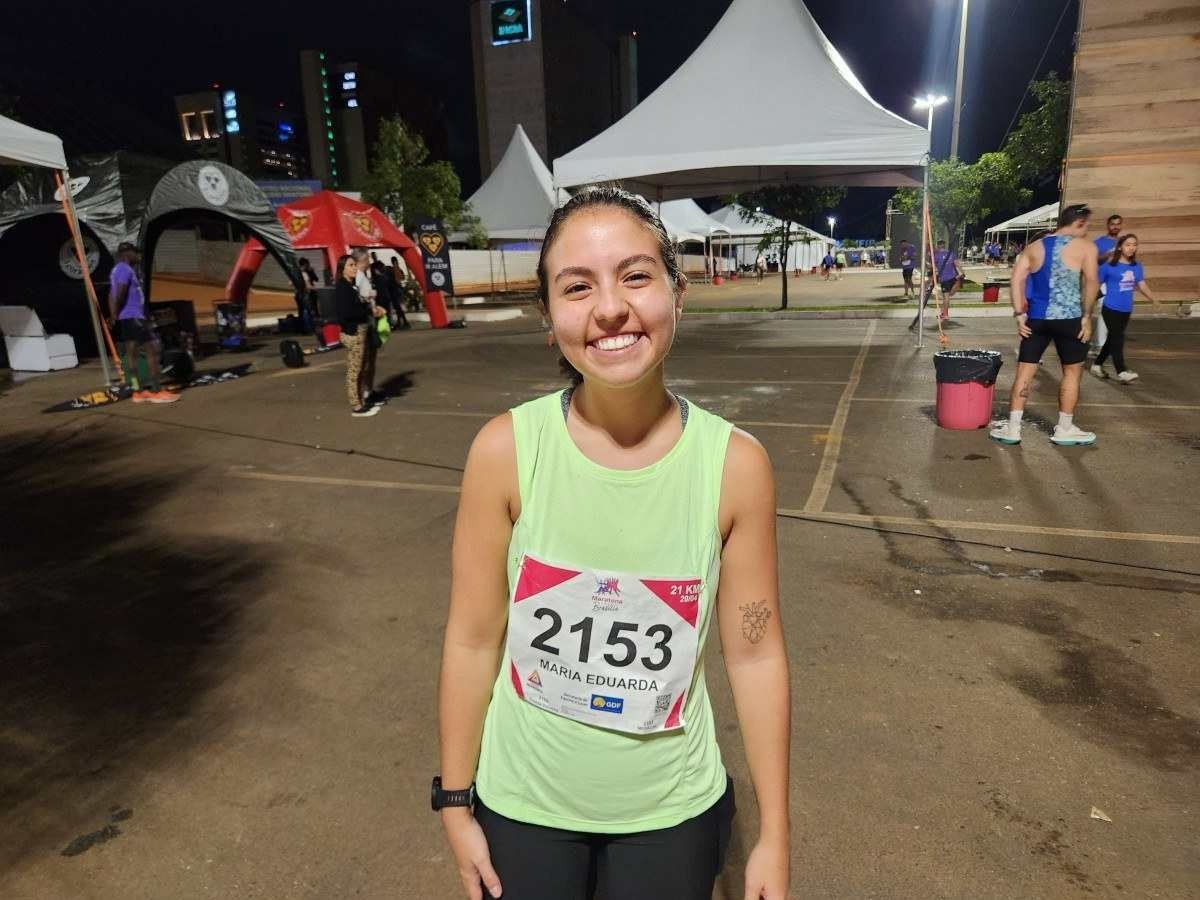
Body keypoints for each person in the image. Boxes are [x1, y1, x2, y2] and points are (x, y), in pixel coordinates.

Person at [436, 187, 790, 900]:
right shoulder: (506, 450)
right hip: (521, 806)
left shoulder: (736, 466)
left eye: (635, 276)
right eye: (577, 287)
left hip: (671, 816)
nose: (609, 309)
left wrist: (775, 837)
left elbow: (755, 653)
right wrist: (453, 801)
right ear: (548, 316)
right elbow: (473, 639)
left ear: (677, 293)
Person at [990, 203, 1100, 447]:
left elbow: (1016, 280)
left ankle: (1014, 428)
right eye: (1086, 226)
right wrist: (1087, 315)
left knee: (1025, 372)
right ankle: (1064, 428)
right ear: (1078, 223)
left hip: (1037, 320)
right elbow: (1092, 281)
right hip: (1070, 318)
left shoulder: (1033, 247)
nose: (1086, 231)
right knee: (1071, 373)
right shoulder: (1085, 247)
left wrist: (1019, 313)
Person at [107, 242, 178, 404]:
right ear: (126, 253)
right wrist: (116, 313)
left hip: (127, 318)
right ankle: (156, 391)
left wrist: (114, 315)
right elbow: (121, 292)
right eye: (136, 253)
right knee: (151, 350)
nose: (138, 256)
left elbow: (111, 295)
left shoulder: (116, 270)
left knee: (131, 354)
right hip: (134, 316)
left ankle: (137, 391)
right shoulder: (125, 269)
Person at [1092, 233, 1160, 383]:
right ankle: (1121, 371)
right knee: (1118, 338)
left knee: (1112, 339)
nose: (1131, 248)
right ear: (1120, 247)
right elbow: (1095, 286)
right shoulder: (1108, 266)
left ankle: (1097, 365)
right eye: (1128, 244)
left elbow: (1142, 285)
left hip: (1126, 309)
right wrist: (1087, 303)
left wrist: (1153, 299)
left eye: (1134, 245)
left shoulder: (1137, 266)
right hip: (1110, 308)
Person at [335, 254, 384, 417]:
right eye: (350, 265)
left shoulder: (351, 285)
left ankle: (362, 400)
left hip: (361, 331)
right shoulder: (342, 287)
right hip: (353, 332)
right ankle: (356, 405)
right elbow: (346, 313)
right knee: (354, 370)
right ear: (342, 269)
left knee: (362, 367)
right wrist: (368, 309)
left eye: (355, 265)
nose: (354, 268)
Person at [351, 248, 384, 407]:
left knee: (369, 358)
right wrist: (372, 300)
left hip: (369, 319)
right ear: (360, 261)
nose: (369, 262)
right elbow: (361, 299)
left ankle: (368, 391)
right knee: (366, 360)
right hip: (366, 321)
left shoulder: (362, 276)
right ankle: (364, 393)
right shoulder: (357, 277)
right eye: (367, 259)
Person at [908, 240, 961, 331]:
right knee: (945, 294)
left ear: (937, 246)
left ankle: (945, 313)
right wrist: (962, 272)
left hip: (944, 276)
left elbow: (932, 266)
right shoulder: (949, 253)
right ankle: (944, 312)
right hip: (950, 276)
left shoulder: (936, 254)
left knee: (946, 295)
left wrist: (925, 263)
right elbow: (956, 263)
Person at [1090, 213, 1122, 352]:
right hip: (1101, 281)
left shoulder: (1124, 242)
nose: (1115, 227)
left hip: (1117, 282)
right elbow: (1093, 260)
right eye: (1112, 224)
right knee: (1104, 311)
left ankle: (1098, 343)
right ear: (1108, 225)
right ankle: (1100, 345)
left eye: (1118, 224)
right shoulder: (1099, 242)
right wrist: (1108, 254)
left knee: (1113, 314)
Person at [297, 257, 319, 333]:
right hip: (306, 294)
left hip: (299, 294)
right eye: (307, 264)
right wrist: (317, 289)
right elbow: (308, 285)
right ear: (305, 264)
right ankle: (309, 328)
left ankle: (304, 329)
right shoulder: (304, 273)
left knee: (302, 311)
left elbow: (290, 283)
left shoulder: (295, 272)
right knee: (308, 311)